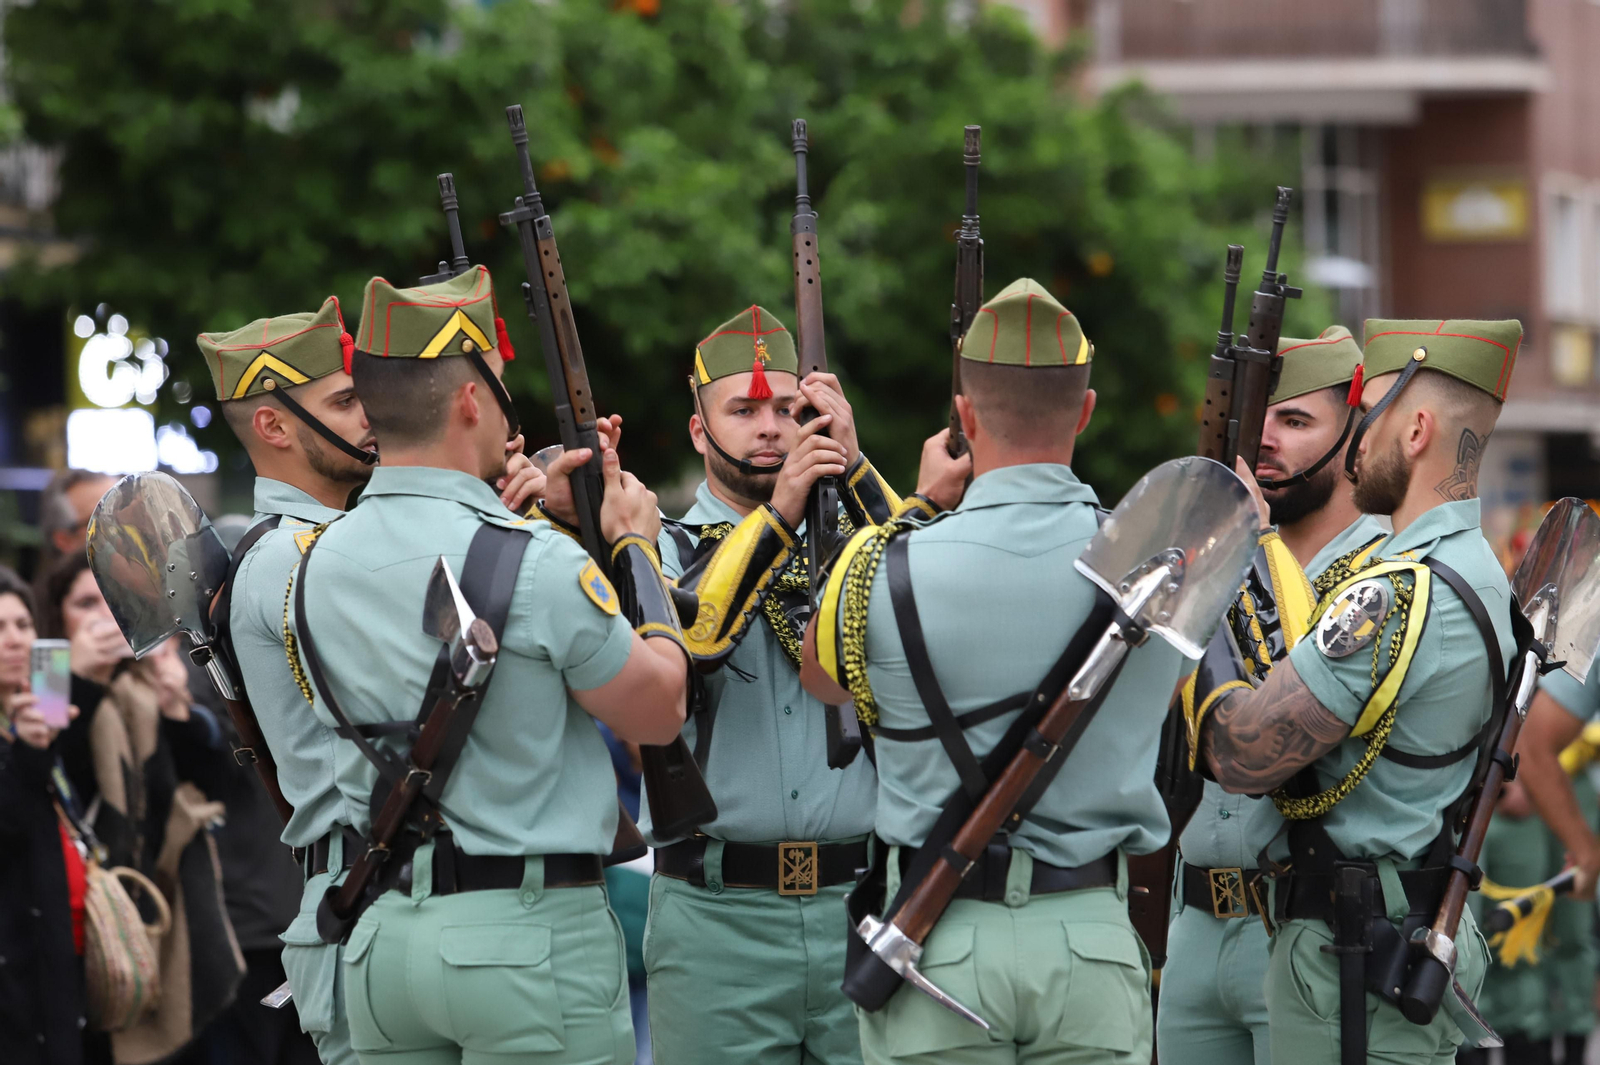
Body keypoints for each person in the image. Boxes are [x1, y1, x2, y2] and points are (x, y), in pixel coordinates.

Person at [290, 267, 688, 1064]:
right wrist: (637, 546)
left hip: (380, 943)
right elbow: (659, 710)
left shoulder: (313, 558)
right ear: (473, 401)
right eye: (500, 388)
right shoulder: (534, 558)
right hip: (525, 939)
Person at [801, 278, 1181, 1064]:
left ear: (965, 418)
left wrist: (910, 507)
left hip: (933, 936)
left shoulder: (888, 568)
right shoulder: (1161, 571)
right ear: (1085, 410)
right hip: (1089, 939)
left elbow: (819, 675)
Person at [201, 294, 544, 1065]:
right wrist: (503, 545)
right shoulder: (296, 557)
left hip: (392, 896)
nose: (371, 414)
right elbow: (446, 692)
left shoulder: (336, 542)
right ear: (274, 426)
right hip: (371, 896)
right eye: (345, 400)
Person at [1196, 319, 1523, 1064]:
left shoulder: (1394, 595)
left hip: (1347, 952)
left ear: (1414, 430)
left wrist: (1210, 597)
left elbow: (1245, 755)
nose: (1354, 446)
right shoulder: (1477, 571)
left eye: (1366, 416)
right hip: (1401, 924)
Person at [642, 304, 906, 1065]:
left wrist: (857, 471)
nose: (770, 427)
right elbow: (692, 630)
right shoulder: (655, 543)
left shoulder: (860, 543)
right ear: (699, 431)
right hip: (716, 919)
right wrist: (784, 512)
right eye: (744, 409)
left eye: (789, 410)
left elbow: (930, 587)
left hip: (859, 905)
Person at [1157, 325, 1383, 1065]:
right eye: (1254, 424)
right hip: (1194, 920)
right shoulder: (1210, 553)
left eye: (1294, 421)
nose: (1265, 444)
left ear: (1354, 437)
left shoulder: (1381, 578)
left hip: (1306, 921)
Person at [41, 550, 243, 1064]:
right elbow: (40, 769)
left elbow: (212, 784)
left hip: (161, 905)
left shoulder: (149, 673)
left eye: (111, 602)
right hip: (79, 921)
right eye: (85, 603)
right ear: (56, 615)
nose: (101, 617)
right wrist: (79, 679)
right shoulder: (46, 668)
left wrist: (177, 704)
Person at [0, 566, 94, 1065]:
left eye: (22, 625)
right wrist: (28, 755)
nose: (15, 640)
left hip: (58, 961)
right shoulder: (25, 739)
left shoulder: (38, 716)